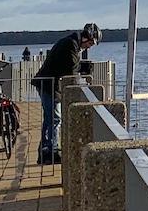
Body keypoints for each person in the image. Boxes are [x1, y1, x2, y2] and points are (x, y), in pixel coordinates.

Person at [33, 23, 101, 165]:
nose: (90, 47)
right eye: (91, 43)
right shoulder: (71, 45)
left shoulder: (72, 43)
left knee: (50, 118)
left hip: (48, 84)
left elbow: (71, 67)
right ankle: (51, 151)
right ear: (86, 38)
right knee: (55, 118)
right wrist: (81, 80)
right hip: (48, 85)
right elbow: (71, 69)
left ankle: (47, 150)